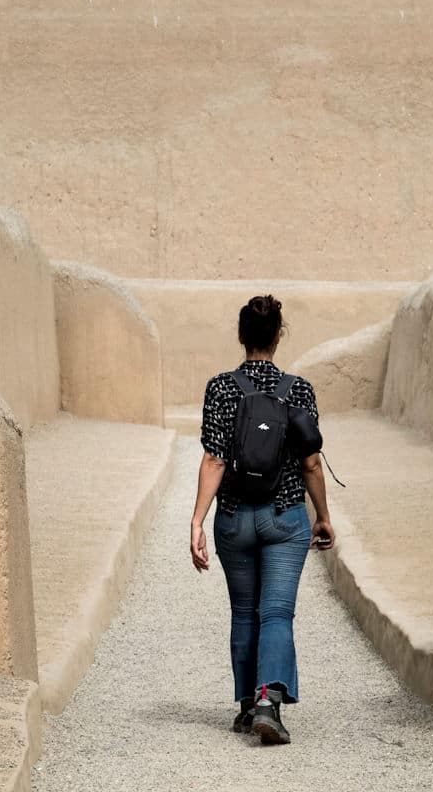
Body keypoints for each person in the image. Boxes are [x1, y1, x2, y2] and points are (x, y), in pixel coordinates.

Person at [189, 294, 336, 745]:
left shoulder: (220, 387)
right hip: (284, 516)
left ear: (242, 336)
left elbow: (213, 460)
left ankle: (248, 707)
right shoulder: (298, 390)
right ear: (277, 336)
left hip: (233, 519)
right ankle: (269, 700)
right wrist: (324, 517)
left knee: (243, 611)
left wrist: (197, 521)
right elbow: (311, 463)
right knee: (276, 612)